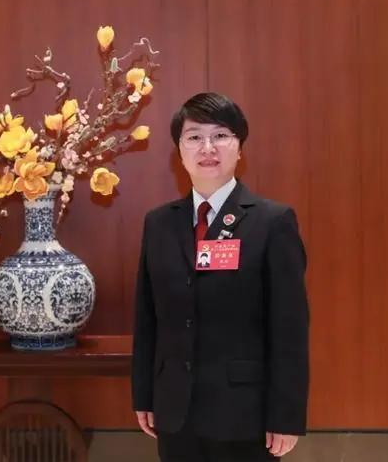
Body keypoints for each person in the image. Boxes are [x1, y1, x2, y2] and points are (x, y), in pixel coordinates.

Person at [132, 93, 309, 461]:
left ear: (239, 148)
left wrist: (286, 415)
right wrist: (144, 395)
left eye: (221, 135)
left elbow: (289, 327)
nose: (207, 147)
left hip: (245, 414)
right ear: (179, 151)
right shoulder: (159, 223)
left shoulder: (272, 222)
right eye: (194, 137)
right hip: (175, 411)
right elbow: (147, 319)